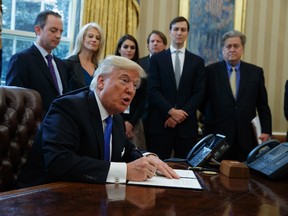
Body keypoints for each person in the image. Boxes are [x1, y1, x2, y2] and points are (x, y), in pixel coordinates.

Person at [16, 55, 179, 188]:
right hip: (42, 197)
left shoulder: (115, 119)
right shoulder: (68, 108)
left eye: (135, 85)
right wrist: (124, 171)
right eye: (124, 80)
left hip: (89, 195)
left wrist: (149, 157)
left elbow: (127, 150)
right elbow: (59, 162)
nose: (130, 89)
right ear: (101, 82)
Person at [201, 30, 272, 161]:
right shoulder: (210, 72)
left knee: (244, 177)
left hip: (246, 137)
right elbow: (201, 102)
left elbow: (262, 105)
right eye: (228, 46)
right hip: (217, 136)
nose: (232, 49)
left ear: (242, 49)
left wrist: (266, 130)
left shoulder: (255, 72)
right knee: (214, 177)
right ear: (223, 50)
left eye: (236, 46)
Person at [147, 16, 205, 160]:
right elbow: (153, 90)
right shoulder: (157, 59)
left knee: (185, 169)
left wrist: (181, 114)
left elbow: (199, 92)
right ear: (170, 32)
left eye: (183, 30)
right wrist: (171, 112)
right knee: (157, 169)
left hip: (186, 127)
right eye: (176, 29)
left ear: (187, 33)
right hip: (160, 124)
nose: (179, 33)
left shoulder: (197, 61)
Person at [5, 10, 70, 115]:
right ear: (38, 30)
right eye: (53, 30)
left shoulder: (62, 65)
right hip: (33, 126)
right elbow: (14, 102)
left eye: (61, 32)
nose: (58, 36)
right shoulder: (21, 60)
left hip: (60, 125)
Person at [115, 34, 147, 150]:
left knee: (135, 155)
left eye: (132, 48)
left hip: (134, 122)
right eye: (126, 47)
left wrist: (130, 123)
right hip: (113, 118)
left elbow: (142, 102)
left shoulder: (140, 72)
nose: (129, 50)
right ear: (119, 49)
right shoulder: (111, 70)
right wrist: (121, 122)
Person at [139, 30, 168, 147]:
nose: (155, 43)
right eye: (152, 41)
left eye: (158, 41)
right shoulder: (140, 62)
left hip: (162, 116)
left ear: (165, 45)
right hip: (141, 113)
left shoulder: (169, 64)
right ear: (147, 45)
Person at [64, 22, 105, 90]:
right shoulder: (68, 63)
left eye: (98, 38)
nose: (94, 40)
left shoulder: (100, 68)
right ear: (82, 38)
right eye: (90, 36)